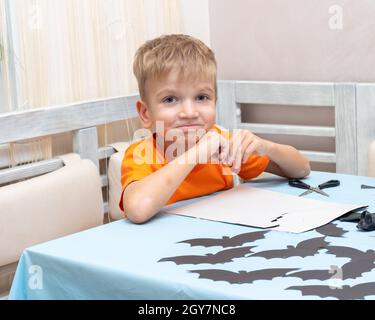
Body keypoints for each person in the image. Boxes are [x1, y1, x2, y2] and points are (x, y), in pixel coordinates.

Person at [119, 34, 310, 223]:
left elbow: (301, 169)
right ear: (145, 113)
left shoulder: (221, 144)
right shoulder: (142, 154)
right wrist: (197, 152)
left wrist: (266, 147)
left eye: (202, 97)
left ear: (215, 102)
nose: (190, 112)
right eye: (170, 99)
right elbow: (138, 209)